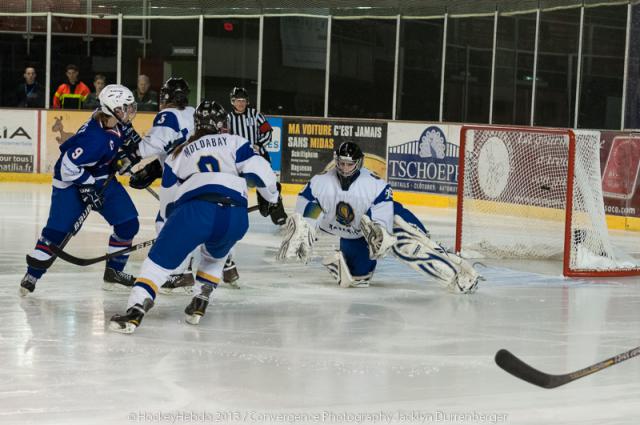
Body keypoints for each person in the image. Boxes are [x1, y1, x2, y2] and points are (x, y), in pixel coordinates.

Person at [109, 100, 280, 333]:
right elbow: (262, 173)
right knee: (215, 256)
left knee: (157, 264)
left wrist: (171, 228)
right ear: (223, 124)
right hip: (236, 216)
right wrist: (271, 199)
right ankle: (201, 300)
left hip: (196, 212)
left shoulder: (178, 153)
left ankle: (135, 311)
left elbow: (168, 202)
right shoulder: (237, 141)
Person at [277, 141, 482, 293]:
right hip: (354, 235)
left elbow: (383, 216)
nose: (345, 168)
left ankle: (457, 273)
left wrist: (381, 233)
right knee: (358, 278)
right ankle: (344, 263)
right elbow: (308, 209)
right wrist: (305, 228)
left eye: (350, 164)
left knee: (406, 246)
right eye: (341, 163)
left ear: (358, 163)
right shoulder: (320, 183)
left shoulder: (374, 185)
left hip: (389, 218)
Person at [20, 85, 141, 296]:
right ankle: (33, 273)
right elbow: (67, 166)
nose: (130, 111)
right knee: (57, 232)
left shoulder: (113, 121)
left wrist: (124, 158)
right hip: (71, 182)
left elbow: (129, 142)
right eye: (125, 107)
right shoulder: (94, 139)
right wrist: (86, 186)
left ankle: (114, 271)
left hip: (101, 177)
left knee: (128, 223)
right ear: (112, 109)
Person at [124, 77, 196, 294]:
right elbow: (176, 144)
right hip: (199, 175)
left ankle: (177, 273)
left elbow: (151, 146)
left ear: (167, 97)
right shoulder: (193, 112)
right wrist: (156, 167)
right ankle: (215, 266)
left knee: (165, 223)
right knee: (192, 221)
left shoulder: (167, 115)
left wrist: (129, 154)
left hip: (176, 176)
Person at [224, 86, 287, 286]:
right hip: (237, 160)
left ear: (247, 102)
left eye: (243, 100)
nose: (240, 103)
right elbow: (224, 137)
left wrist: (259, 144)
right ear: (232, 101)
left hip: (257, 155)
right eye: (237, 100)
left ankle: (278, 213)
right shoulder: (227, 119)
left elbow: (267, 131)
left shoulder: (254, 115)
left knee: (268, 184)